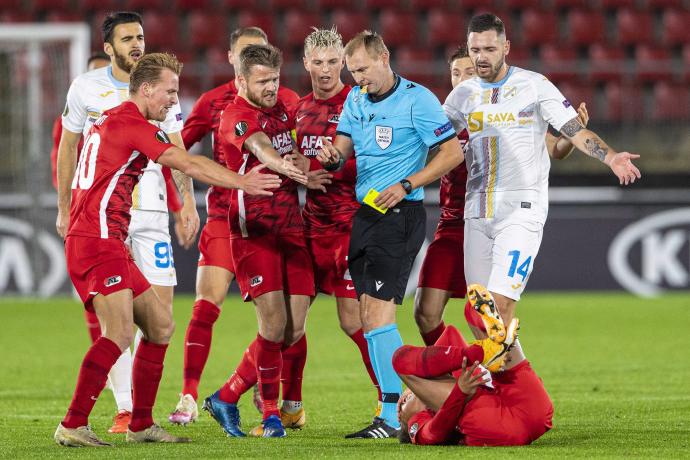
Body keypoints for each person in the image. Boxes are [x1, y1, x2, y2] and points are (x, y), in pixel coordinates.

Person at [53, 52, 281, 447]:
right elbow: (183, 162)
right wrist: (241, 182)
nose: (174, 101)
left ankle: (141, 425)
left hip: (105, 239)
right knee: (120, 332)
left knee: (159, 328)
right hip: (97, 239)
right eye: (169, 92)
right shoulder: (131, 123)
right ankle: (73, 424)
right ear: (145, 89)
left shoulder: (112, 118)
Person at [443, 13, 640, 328]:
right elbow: (433, 142)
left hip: (521, 210)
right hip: (477, 210)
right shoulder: (462, 95)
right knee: (480, 315)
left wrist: (612, 158)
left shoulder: (534, 86)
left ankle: (505, 376)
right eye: (475, 50)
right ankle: (505, 378)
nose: (481, 57)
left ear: (506, 47)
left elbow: (574, 131)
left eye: (489, 49)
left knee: (501, 303)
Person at [54, 11, 199, 434]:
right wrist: (65, 205)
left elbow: (176, 148)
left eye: (140, 36)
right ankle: (122, 408)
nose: (136, 44)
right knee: (115, 323)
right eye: (127, 38)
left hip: (150, 211)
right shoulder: (86, 87)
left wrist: (185, 202)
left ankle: (141, 418)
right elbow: (68, 146)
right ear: (108, 47)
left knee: (159, 319)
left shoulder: (159, 90)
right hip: (104, 219)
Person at [317, 31, 464, 437]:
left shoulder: (418, 100)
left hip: (400, 216)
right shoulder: (356, 99)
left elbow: (452, 153)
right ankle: (390, 408)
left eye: (363, 69)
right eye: (354, 72)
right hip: (366, 215)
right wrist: (332, 156)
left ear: (384, 57)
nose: (359, 78)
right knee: (368, 317)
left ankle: (393, 412)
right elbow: (342, 147)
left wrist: (408, 182)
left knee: (380, 315)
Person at [414, 46, 590, 346]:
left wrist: (570, 139)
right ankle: (453, 369)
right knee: (425, 312)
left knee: (487, 315)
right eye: (456, 73)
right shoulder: (445, 125)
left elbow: (556, 150)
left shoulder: (505, 118)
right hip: (452, 226)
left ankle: (507, 373)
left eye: (469, 72)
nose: (462, 78)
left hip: (493, 221)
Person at [169, 26, 300, 426]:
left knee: (290, 320)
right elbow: (178, 152)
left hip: (278, 219)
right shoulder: (215, 103)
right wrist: (184, 205)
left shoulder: (285, 100)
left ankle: (280, 398)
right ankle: (189, 395)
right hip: (228, 218)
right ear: (233, 60)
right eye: (247, 54)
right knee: (207, 306)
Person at [201, 43, 312, 439]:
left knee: (294, 329)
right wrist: (281, 163)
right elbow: (259, 146)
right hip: (254, 231)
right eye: (262, 81)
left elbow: (295, 144)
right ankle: (269, 415)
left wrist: (301, 160)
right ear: (241, 81)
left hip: (292, 227)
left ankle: (227, 396)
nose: (270, 87)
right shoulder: (236, 114)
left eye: (275, 79)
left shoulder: (285, 104)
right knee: (274, 324)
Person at [393, 287, 552, 446]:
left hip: (523, 398)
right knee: (399, 360)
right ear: (403, 420)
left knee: (473, 311)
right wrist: (460, 392)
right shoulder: (418, 421)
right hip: (500, 427)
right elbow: (433, 435)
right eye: (403, 406)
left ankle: (487, 350)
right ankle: (483, 352)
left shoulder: (458, 380)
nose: (403, 400)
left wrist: (421, 379)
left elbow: (450, 335)